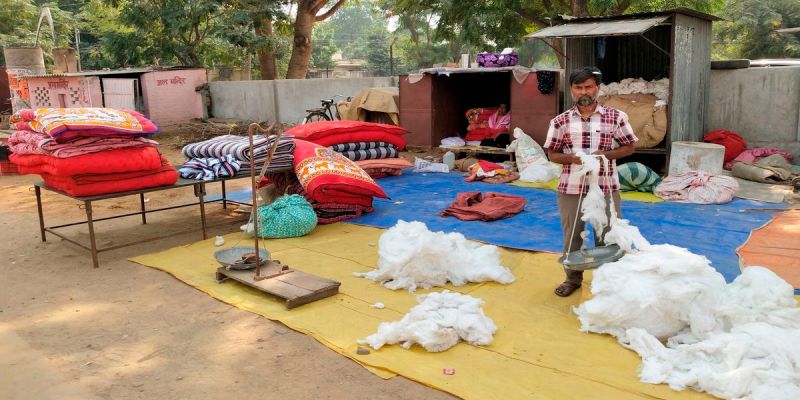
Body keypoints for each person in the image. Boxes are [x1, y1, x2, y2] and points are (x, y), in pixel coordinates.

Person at [543, 67, 638, 297]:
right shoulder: (560, 121)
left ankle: (607, 283)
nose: (583, 91)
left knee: (607, 235)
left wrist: (603, 156)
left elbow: (630, 147)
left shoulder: (616, 117)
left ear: (597, 89)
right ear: (572, 90)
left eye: (588, 87)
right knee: (572, 235)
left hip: (605, 185)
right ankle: (572, 279)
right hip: (570, 187)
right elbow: (552, 154)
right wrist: (574, 159)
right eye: (578, 87)